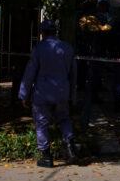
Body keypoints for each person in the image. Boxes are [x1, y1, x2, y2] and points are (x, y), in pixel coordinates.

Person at [19, 20, 78, 168]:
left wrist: (24, 94)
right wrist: (72, 93)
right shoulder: (67, 48)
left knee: (41, 124)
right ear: (56, 31)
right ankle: (71, 149)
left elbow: (29, 73)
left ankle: (46, 157)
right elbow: (73, 74)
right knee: (64, 119)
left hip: (42, 93)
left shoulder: (38, 49)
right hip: (62, 91)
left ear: (42, 32)